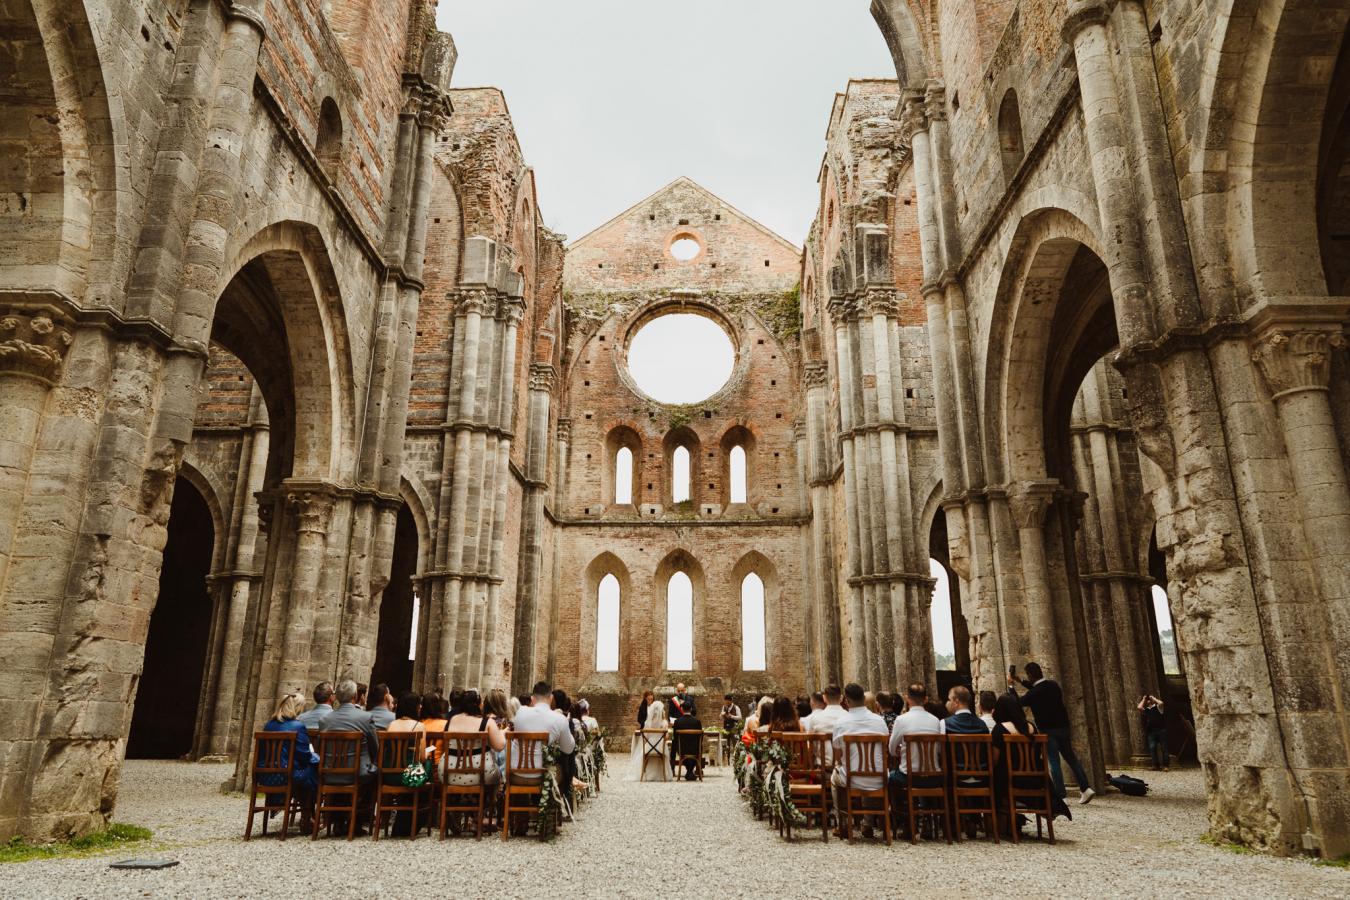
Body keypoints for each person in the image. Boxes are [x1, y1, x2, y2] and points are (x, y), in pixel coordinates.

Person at [1009, 662, 1095, 803]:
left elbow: (1017, 702)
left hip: (1048, 731)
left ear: (1030, 676)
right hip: (1063, 728)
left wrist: (1012, 686)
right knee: (1071, 758)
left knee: (1054, 762)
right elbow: (1038, 689)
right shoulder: (1053, 685)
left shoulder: (1033, 694)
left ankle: (1061, 795)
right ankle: (1085, 788)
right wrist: (1021, 681)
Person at [990, 693, 1072, 827]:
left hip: (1011, 781)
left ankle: (999, 824)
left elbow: (995, 759)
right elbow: (1039, 754)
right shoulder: (1031, 727)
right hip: (1035, 780)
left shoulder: (1000, 729)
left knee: (993, 777)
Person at [321, 680, 380, 832]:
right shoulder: (365, 717)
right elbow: (376, 748)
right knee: (374, 773)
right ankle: (359, 821)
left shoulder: (324, 720)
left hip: (329, 773)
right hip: (357, 774)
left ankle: (337, 820)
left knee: (344, 770)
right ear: (355, 696)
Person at [830, 683, 889, 838]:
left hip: (852, 779)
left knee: (835, 778)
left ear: (846, 701)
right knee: (867, 770)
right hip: (879, 778)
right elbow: (886, 748)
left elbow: (837, 754)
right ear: (864, 698)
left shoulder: (841, 722)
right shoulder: (879, 721)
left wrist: (840, 763)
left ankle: (842, 823)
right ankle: (867, 823)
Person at [262, 691, 319, 829]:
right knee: (314, 770)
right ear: (297, 707)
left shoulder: (268, 726)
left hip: (266, 775)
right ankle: (308, 816)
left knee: (307, 772)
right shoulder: (297, 726)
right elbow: (305, 756)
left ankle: (308, 816)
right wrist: (317, 757)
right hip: (288, 776)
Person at [887, 684, 941, 819]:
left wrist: (900, 752)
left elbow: (891, 749)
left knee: (890, 778)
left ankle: (904, 819)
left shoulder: (902, 719)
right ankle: (928, 818)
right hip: (934, 777)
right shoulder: (935, 721)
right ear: (926, 699)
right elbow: (939, 750)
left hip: (908, 776)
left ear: (907, 698)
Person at [512, 681, 576, 773]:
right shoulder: (560, 719)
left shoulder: (520, 712)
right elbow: (568, 749)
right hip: (541, 776)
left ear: (532, 698)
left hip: (516, 773)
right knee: (562, 767)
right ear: (551, 698)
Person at [444, 690, 505, 785]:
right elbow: (500, 746)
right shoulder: (486, 722)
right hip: (480, 775)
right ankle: (491, 799)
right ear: (478, 705)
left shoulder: (451, 720)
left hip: (448, 774)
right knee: (498, 771)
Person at [628, 698, 669, 781]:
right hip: (661, 749)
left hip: (649, 748)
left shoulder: (647, 723)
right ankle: (663, 775)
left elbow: (645, 737)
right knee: (666, 750)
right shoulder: (664, 723)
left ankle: (644, 774)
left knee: (642, 753)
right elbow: (666, 738)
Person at [670, 705, 704, 780]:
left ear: (682, 709)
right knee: (700, 746)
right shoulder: (697, 722)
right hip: (695, 750)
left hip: (682, 750)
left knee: (674, 745)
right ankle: (691, 770)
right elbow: (701, 739)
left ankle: (683, 770)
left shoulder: (677, 722)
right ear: (691, 709)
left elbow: (674, 739)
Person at [1139, 694, 1169, 771]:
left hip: (1161, 730)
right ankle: (1155, 765)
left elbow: (1161, 703)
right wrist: (1144, 699)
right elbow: (1139, 707)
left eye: (1150, 699)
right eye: (1147, 700)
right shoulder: (1146, 710)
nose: (1148, 700)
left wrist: (1153, 698)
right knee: (1152, 748)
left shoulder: (1158, 707)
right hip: (1151, 732)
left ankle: (1166, 766)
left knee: (1164, 748)